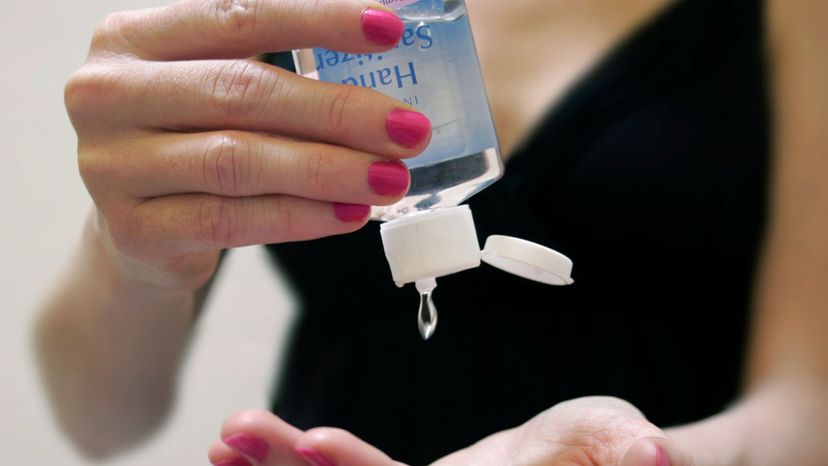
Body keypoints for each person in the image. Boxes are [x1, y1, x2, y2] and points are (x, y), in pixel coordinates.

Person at [34, 0, 828, 465]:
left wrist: (633, 457)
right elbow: (99, 421)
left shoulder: (788, 19)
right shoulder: (289, 14)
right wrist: (134, 259)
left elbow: (810, 397)